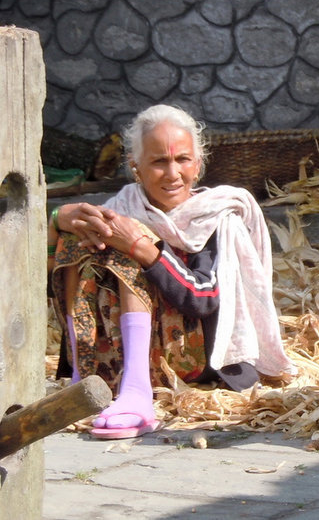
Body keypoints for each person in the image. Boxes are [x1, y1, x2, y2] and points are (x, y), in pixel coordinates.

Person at [48, 104, 297, 439]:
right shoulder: (123, 207)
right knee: (80, 232)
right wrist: (59, 219)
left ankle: (137, 392)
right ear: (136, 167)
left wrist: (143, 249)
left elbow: (203, 298)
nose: (172, 173)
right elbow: (53, 272)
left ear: (198, 164)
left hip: (192, 358)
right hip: (122, 352)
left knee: (129, 250)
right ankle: (82, 378)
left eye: (182, 159)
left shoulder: (216, 217)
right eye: (158, 161)